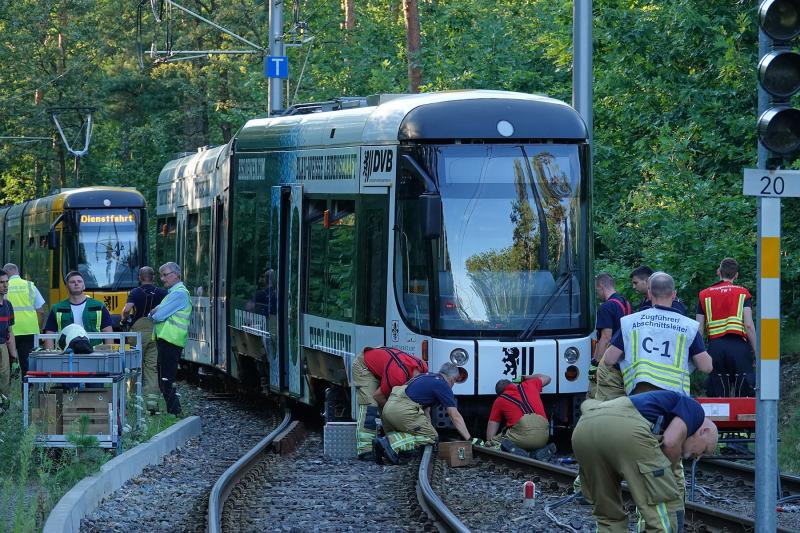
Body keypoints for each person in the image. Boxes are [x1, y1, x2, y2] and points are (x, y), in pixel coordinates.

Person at [572, 391, 719, 532]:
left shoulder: (658, 407)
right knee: (663, 507)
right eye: (704, 450)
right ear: (703, 431)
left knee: (608, 514)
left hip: (584, 427)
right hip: (625, 428)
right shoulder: (695, 410)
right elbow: (671, 442)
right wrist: (667, 475)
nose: (698, 456)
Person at [602, 272, 713, 397]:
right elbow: (706, 366)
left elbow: (609, 359)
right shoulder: (688, 326)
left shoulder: (630, 322)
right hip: (673, 400)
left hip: (639, 397)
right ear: (674, 294)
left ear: (649, 294)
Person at [373, 362, 470, 465]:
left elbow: (425, 411)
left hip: (389, 408)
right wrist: (469, 438)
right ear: (452, 378)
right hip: (403, 411)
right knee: (431, 437)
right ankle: (390, 444)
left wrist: (428, 428)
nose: (453, 384)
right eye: (454, 381)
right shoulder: (442, 384)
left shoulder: (425, 376)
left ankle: (383, 446)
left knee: (419, 432)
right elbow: (455, 416)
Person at [351, 346, 428, 457]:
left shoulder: (423, 368)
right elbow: (378, 397)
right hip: (364, 367)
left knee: (394, 409)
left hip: (383, 366)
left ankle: (392, 443)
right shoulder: (397, 376)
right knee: (370, 407)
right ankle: (365, 449)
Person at [697, 258, 757, 397]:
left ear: (719, 272)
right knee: (744, 395)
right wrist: (756, 351)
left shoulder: (704, 294)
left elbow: (699, 329)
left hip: (715, 348)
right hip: (739, 348)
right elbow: (748, 325)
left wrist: (699, 354)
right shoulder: (743, 293)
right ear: (736, 275)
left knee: (718, 397)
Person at [121, 266, 167, 412]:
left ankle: (134, 403)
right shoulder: (162, 292)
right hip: (156, 331)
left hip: (138, 333)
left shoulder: (135, 292)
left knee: (134, 366)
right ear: (153, 277)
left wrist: (124, 319)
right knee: (151, 367)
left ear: (140, 277)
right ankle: (152, 404)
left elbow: (127, 309)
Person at [149, 262, 192, 415]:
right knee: (164, 380)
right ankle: (174, 413)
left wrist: (155, 313)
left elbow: (157, 315)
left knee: (166, 380)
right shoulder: (173, 293)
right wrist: (154, 313)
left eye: (165, 275)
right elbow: (152, 315)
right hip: (166, 341)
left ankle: (175, 413)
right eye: (161, 275)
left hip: (170, 342)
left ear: (176, 275)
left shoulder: (179, 293)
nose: (162, 279)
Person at [485, 373, 554, 458]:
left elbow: (492, 426)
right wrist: (524, 378)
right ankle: (536, 452)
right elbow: (547, 377)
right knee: (528, 438)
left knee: (496, 442)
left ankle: (514, 450)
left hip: (523, 437)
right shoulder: (531, 384)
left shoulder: (500, 400)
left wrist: (489, 442)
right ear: (513, 384)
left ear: (500, 393)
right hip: (544, 437)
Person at [44, 271, 113, 348]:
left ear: (84, 286)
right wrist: (50, 355)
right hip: (66, 353)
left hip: (94, 353)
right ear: (66, 286)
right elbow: (49, 335)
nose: (76, 284)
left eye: (79, 281)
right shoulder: (57, 308)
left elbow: (108, 332)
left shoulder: (99, 306)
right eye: (72, 282)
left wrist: (109, 353)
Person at [590, 273, 631, 400]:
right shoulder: (626, 304)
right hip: (625, 361)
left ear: (601, 286)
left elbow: (606, 337)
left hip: (610, 364)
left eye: (597, 290)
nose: (597, 294)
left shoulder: (606, 307)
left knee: (594, 397)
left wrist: (596, 365)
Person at [3, 263, 45, 378]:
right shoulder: (30, 286)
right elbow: (41, 311)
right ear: (18, 272)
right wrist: (39, 329)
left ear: (5, 274)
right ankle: (27, 391)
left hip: (8, 331)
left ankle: (7, 391)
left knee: (6, 364)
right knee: (27, 365)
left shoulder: (4, 286)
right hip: (29, 331)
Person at [0, 271, 18, 404]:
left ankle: (3, 409)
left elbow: (9, 332)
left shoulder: (8, 305)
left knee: (5, 379)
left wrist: (14, 356)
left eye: (7, 282)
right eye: (1, 282)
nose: (5, 285)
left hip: (3, 346)